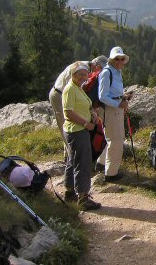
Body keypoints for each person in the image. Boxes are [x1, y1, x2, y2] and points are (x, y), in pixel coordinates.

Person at [49, 56, 107, 156]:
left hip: (63, 94)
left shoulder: (85, 67)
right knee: (66, 124)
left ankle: (68, 155)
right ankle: (72, 156)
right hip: (59, 95)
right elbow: (75, 88)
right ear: (96, 66)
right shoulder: (82, 68)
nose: (100, 73)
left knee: (68, 125)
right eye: (101, 69)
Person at [62, 62, 101, 210]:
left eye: (85, 74)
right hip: (77, 130)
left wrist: (92, 113)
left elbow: (85, 104)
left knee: (73, 160)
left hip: (75, 130)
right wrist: (86, 123)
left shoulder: (77, 88)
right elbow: (68, 112)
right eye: (80, 74)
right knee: (83, 162)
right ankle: (83, 197)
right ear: (73, 75)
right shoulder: (70, 89)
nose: (84, 77)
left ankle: (70, 191)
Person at [96, 46, 132, 182]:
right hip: (111, 110)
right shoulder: (107, 73)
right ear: (111, 59)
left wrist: (123, 97)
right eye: (117, 58)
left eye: (122, 59)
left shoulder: (116, 72)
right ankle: (111, 174)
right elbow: (102, 96)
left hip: (117, 108)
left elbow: (112, 91)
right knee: (115, 140)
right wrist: (118, 104)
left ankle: (101, 164)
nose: (120, 61)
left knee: (114, 138)